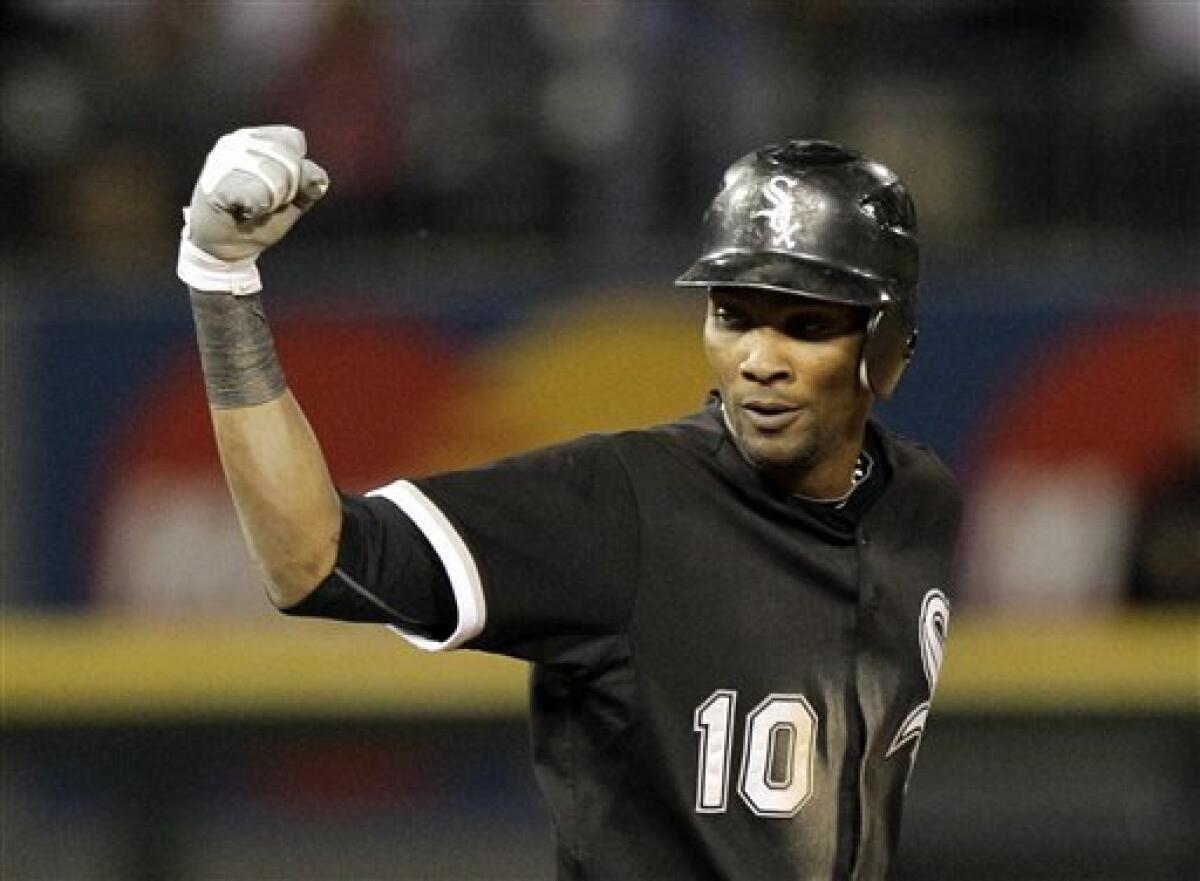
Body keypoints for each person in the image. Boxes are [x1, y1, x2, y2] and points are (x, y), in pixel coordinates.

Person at [176, 126, 962, 880]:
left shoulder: (920, 504)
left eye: (806, 325)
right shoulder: (624, 506)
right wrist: (221, 284)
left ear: (887, 343)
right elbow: (314, 560)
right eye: (734, 315)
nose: (760, 360)